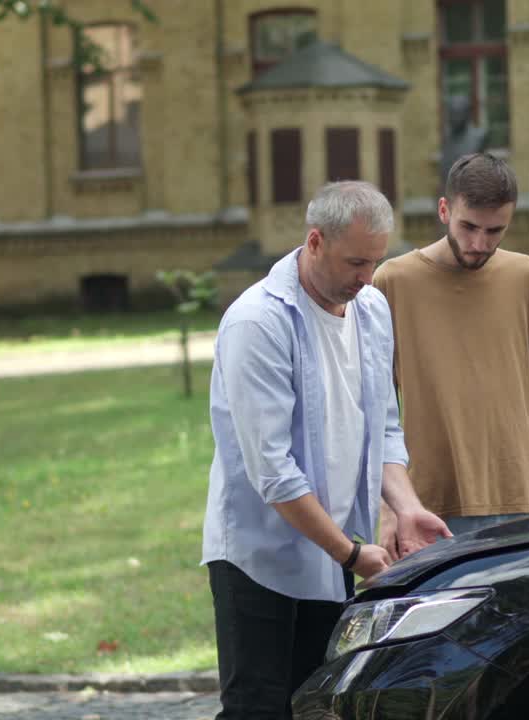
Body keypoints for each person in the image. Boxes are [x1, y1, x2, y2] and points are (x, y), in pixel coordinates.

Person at [201, 180, 452, 720]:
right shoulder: (257, 322)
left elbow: (384, 426)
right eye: (355, 262)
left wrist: (406, 507)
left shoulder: (373, 310)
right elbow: (274, 473)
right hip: (258, 555)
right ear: (314, 242)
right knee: (258, 708)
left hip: (336, 546)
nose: (367, 278)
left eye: (376, 262)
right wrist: (351, 554)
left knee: (318, 705)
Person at [374, 153, 529, 544]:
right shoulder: (393, 281)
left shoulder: (528, 277)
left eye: (496, 231)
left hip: (515, 498)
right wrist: (389, 507)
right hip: (425, 503)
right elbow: (376, 402)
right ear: (445, 210)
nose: (480, 244)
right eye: (469, 226)